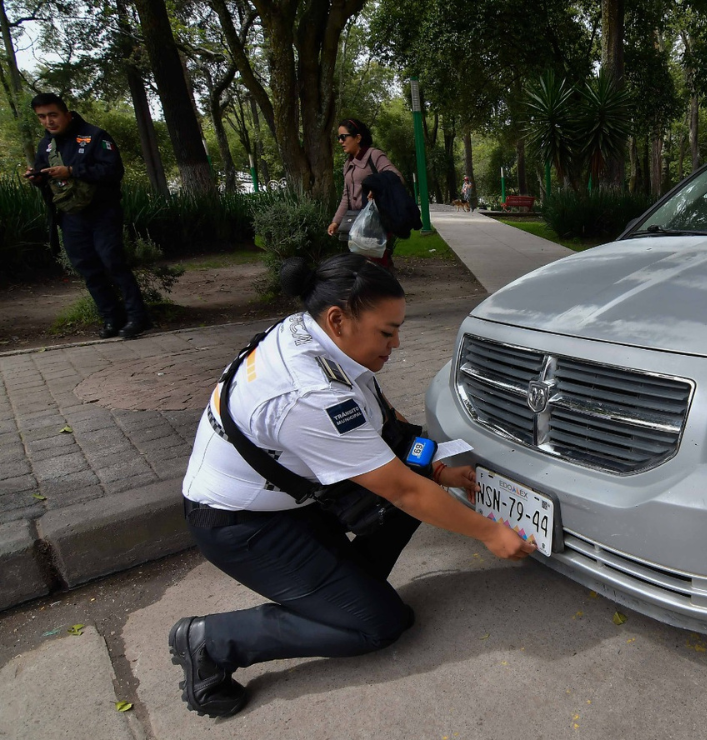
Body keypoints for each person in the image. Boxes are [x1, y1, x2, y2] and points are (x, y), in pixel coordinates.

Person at [170, 254, 535, 718]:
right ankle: (213, 641)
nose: (397, 343)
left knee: (412, 481)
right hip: (239, 526)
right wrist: (491, 533)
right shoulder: (309, 394)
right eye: (387, 332)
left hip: (289, 497)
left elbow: (386, 426)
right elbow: (401, 490)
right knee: (379, 623)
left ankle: (344, 591)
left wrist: (438, 469)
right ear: (339, 319)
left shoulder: (315, 333)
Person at [25, 93, 149, 339]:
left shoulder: (94, 136)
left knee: (112, 261)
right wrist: (38, 178)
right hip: (71, 215)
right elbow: (47, 178)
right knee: (87, 268)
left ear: (66, 114)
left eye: (53, 115)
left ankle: (138, 317)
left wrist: (71, 170)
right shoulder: (46, 146)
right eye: (42, 117)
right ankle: (112, 319)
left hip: (102, 211)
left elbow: (113, 171)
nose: (48, 121)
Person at [327, 118, 404, 269]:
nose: (340, 141)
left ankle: (388, 292)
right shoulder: (348, 164)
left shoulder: (374, 156)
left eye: (343, 137)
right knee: (362, 267)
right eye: (338, 138)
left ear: (358, 137)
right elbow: (346, 196)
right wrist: (336, 221)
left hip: (376, 221)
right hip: (357, 223)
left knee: (376, 266)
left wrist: (377, 188)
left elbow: (397, 178)